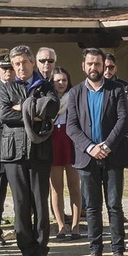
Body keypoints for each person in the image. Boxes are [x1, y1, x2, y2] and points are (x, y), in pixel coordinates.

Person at [0, 46, 59, 256]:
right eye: (16, 64)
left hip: (39, 152)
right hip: (13, 153)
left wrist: (23, 107)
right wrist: (32, 113)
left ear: (32, 63)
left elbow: (51, 109)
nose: (20, 68)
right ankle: (26, 251)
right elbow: (4, 114)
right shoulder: (6, 88)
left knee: (39, 203)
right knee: (20, 204)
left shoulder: (45, 86)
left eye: (24, 63)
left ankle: (41, 251)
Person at [65, 46, 128, 256]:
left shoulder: (117, 90)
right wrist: (90, 147)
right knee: (92, 207)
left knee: (114, 205)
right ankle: (95, 252)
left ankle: (118, 252)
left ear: (104, 66)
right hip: (87, 158)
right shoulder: (74, 93)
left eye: (98, 64)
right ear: (83, 66)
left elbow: (123, 121)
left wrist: (107, 145)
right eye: (90, 63)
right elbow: (71, 127)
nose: (94, 67)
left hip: (112, 157)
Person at [48, 66, 83, 240]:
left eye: (64, 80)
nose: (61, 83)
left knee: (74, 185)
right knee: (56, 188)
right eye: (57, 80)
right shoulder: (47, 99)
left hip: (71, 141)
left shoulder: (74, 97)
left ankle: (76, 226)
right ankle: (61, 225)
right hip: (53, 140)